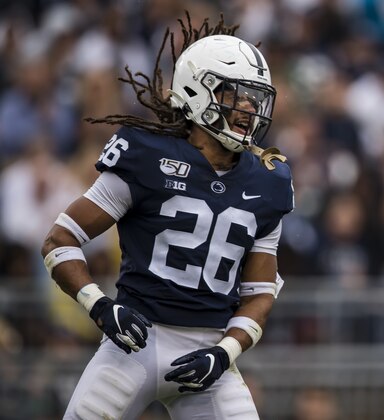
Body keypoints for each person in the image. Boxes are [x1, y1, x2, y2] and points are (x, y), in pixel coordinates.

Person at [40, 14, 293, 419]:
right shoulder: (147, 156)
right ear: (197, 91)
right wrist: (101, 307)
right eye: (236, 94)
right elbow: (60, 240)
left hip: (208, 353)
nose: (249, 108)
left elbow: (261, 291)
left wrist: (224, 352)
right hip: (134, 345)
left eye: (255, 98)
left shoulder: (270, 180)